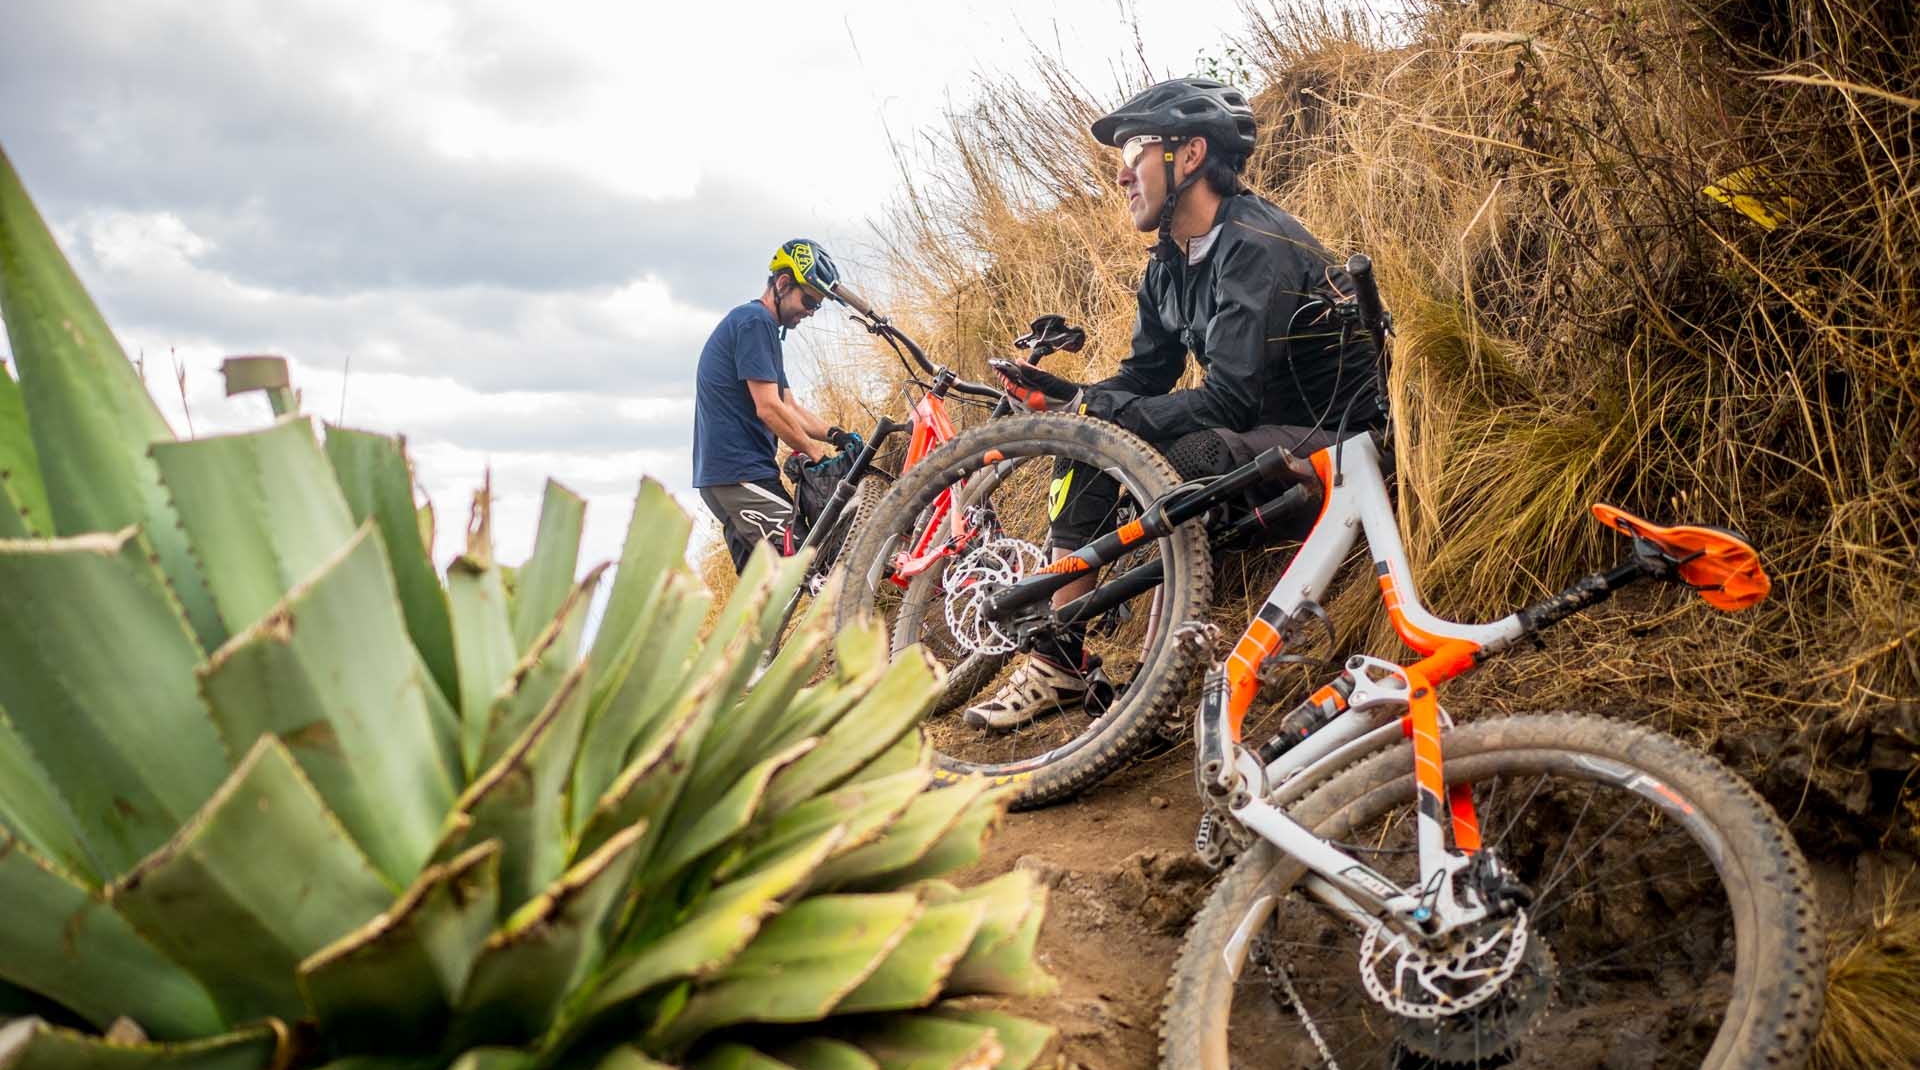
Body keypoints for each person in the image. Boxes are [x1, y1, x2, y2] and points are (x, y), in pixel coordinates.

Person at [968, 77, 1385, 729]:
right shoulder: (1167, 264)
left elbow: (1231, 399)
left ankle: (1175, 676)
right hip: (1263, 435)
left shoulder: (1256, 244)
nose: (1121, 177)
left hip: (1334, 440)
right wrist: (1077, 402)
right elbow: (1145, 374)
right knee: (1085, 452)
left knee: (1186, 458)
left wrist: (1101, 416)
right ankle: (1059, 665)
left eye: (1133, 152)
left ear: (1188, 156)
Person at [693, 238, 857, 573]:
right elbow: (767, 408)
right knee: (808, 563)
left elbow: (789, 406)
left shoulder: (760, 328)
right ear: (783, 284)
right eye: (808, 299)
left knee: (761, 596)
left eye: (818, 305)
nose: (810, 311)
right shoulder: (756, 323)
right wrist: (816, 455)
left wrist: (836, 435)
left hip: (732, 478)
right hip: (740, 476)